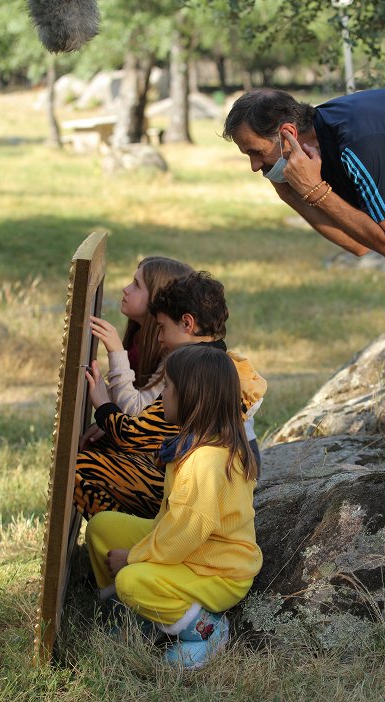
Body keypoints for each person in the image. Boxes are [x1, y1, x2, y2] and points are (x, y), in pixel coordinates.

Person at [223, 87, 385, 486]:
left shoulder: (359, 141)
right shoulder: (317, 150)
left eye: (254, 152)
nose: (253, 166)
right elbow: (356, 242)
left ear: (286, 134)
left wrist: (315, 191)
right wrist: (293, 191)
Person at [85, 344, 263, 669]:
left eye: (167, 388)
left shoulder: (206, 461)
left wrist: (132, 558)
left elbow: (183, 533)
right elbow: (173, 524)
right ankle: (139, 615)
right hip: (190, 552)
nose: (161, 395)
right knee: (102, 527)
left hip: (217, 571)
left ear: (191, 397)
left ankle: (206, 630)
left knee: (130, 579)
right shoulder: (193, 441)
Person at [74, 271, 267, 519]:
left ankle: (129, 540)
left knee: (78, 466)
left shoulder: (196, 373)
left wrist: (102, 403)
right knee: (102, 444)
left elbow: (132, 437)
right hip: (206, 480)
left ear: (187, 323)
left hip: (195, 493)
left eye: (163, 328)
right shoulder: (215, 361)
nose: (160, 338)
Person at [80, 255, 193, 450]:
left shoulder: (175, 357)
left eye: (136, 285)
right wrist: (106, 420)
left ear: (158, 299)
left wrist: (116, 352)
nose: (126, 289)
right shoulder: (140, 337)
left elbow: (139, 417)